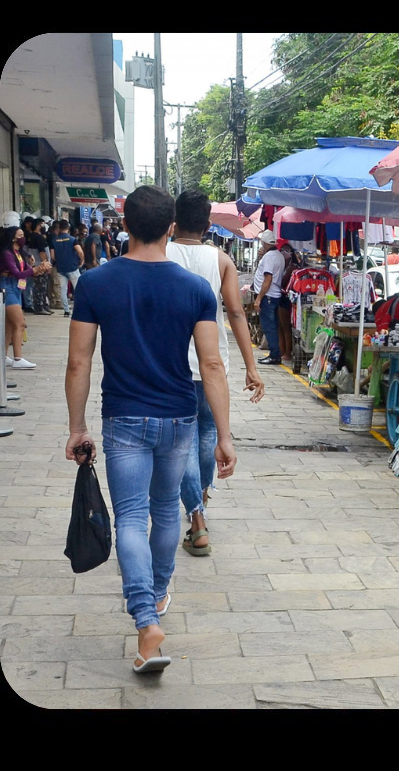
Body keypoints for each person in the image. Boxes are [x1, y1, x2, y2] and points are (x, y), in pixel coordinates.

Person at [65, 184, 236, 674]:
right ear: (169, 228)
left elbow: (78, 362)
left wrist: (77, 427)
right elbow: (211, 365)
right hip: (179, 417)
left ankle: (146, 621)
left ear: (124, 225)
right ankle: (157, 597)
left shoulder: (95, 283)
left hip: (123, 419)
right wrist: (224, 436)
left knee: (131, 517)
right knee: (164, 513)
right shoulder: (195, 289)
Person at [167, 190, 265, 557]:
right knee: (208, 435)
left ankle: (197, 518)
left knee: (184, 443)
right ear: (208, 224)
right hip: (212, 365)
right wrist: (251, 366)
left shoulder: (160, 254)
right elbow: (236, 313)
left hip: (171, 366)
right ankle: (201, 503)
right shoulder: (221, 260)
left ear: (173, 222)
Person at [1, 220, 37, 368]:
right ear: (13, 238)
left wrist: (37, 268)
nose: (23, 238)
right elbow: (17, 273)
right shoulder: (7, 254)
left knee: (10, 324)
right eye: (20, 235)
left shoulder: (19, 253)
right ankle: (18, 358)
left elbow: (26, 271)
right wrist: (34, 270)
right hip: (7, 287)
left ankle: (4, 356)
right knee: (20, 323)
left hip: (17, 288)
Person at [251, 231, 285, 365]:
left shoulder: (270, 257)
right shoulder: (278, 255)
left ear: (264, 242)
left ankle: (274, 355)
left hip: (268, 296)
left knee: (269, 326)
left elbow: (268, 278)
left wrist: (259, 298)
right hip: (273, 296)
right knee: (273, 325)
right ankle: (275, 353)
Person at [52, 220, 84, 317]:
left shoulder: (54, 240)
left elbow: (52, 256)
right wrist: (82, 260)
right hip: (72, 267)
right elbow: (80, 251)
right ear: (68, 228)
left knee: (63, 289)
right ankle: (79, 309)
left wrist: (59, 261)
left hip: (61, 268)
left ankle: (66, 310)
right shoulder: (72, 239)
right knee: (78, 288)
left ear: (59, 228)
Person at [276, 242, 298, 364]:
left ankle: (287, 352)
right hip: (281, 296)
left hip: (287, 297)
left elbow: (282, 280)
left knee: (285, 326)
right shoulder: (284, 265)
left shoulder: (292, 267)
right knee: (280, 325)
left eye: (286, 250)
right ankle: (282, 349)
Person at [25, 220, 53, 315]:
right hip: (40, 265)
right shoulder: (39, 238)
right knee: (40, 287)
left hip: (33, 265)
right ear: (38, 226)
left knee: (38, 286)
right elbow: (42, 253)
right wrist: (46, 265)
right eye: (42, 224)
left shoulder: (30, 237)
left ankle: (43, 305)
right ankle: (40, 307)